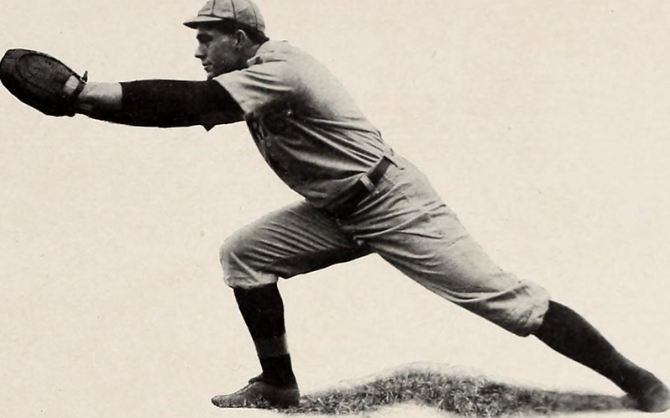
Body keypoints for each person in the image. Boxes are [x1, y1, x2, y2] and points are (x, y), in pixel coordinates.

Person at [63, 0, 668, 412]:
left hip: (394, 203)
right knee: (243, 255)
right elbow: (182, 104)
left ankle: (637, 381)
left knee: (507, 302)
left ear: (241, 38)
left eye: (206, 36)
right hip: (335, 210)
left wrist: (83, 95)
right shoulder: (249, 75)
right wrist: (87, 105)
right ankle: (278, 385)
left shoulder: (280, 68)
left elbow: (192, 103)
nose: (198, 47)